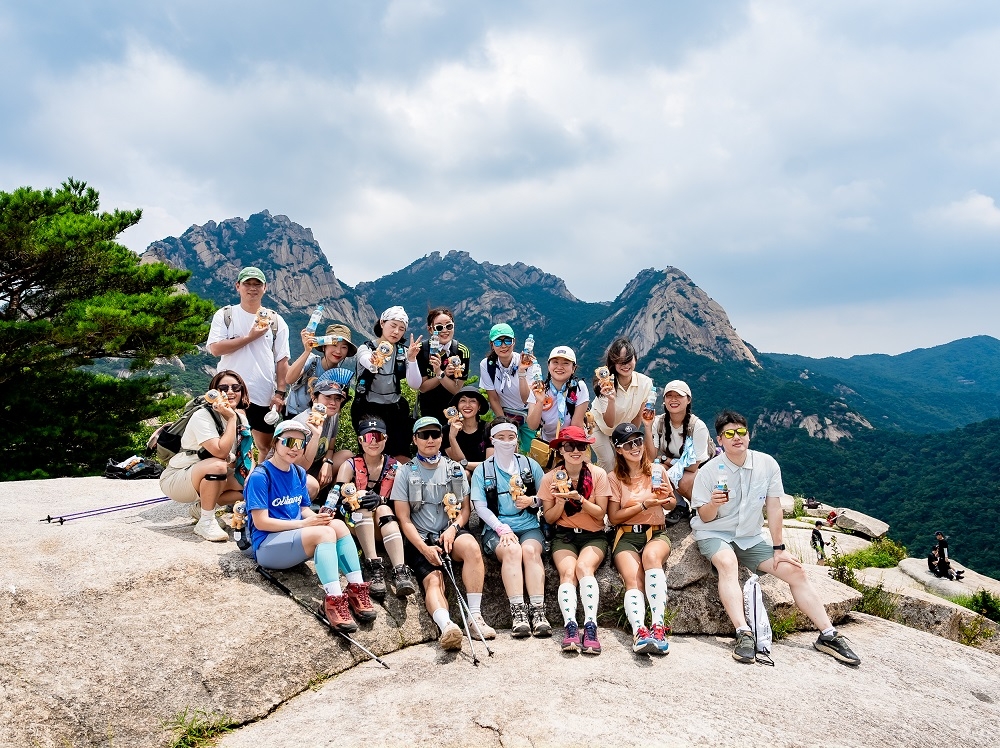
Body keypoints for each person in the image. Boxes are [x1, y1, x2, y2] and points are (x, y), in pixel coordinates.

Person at [691, 410, 861, 666]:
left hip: (749, 536)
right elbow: (703, 517)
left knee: (796, 572)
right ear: (720, 440)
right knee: (727, 564)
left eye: (741, 432)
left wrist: (779, 548)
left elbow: (774, 508)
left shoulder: (767, 464)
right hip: (715, 532)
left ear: (748, 435)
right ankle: (744, 633)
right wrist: (713, 504)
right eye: (729, 433)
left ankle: (828, 634)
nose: (737, 437)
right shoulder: (709, 472)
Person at [244, 420, 374, 632]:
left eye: (300, 444)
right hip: (267, 545)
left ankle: (356, 588)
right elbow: (261, 522)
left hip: (293, 536)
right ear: (276, 442)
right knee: (324, 534)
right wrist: (306, 523)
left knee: (338, 526)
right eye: (289, 442)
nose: (294, 449)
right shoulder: (261, 476)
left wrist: (317, 517)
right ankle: (333, 599)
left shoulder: (297, 472)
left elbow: (303, 508)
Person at [391, 416, 497, 650]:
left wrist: (453, 529)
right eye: (424, 435)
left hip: (451, 530)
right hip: (422, 538)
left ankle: (475, 617)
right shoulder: (405, 472)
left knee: (471, 547)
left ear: (441, 438)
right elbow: (403, 517)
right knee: (433, 580)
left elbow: (466, 509)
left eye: (435, 435)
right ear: (415, 439)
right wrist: (424, 548)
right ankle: (447, 625)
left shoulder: (455, 468)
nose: (430, 440)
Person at [470, 418, 550, 638]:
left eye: (511, 437)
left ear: (517, 440)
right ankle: (518, 612)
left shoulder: (529, 465)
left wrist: (532, 501)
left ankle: (538, 611)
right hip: (497, 528)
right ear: (492, 440)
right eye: (501, 437)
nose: (506, 442)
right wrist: (501, 528)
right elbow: (480, 506)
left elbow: (545, 496)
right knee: (512, 551)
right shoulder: (483, 471)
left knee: (531, 551)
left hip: (528, 524)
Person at [538, 425, 612, 655]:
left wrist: (578, 498)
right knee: (568, 572)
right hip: (564, 535)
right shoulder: (550, 478)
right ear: (561, 450)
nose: (575, 451)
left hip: (594, 535)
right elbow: (549, 518)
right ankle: (571, 625)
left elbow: (600, 513)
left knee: (583, 568)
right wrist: (560, 501)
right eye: (569, 446)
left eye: (580, 446)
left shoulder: (598, 475)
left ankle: (590, 625)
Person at [160, 369, 254, 542]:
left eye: (236, 387)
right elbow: (220, 452)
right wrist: (231, 419)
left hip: (207, 474)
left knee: (251, 484)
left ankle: (202, 508)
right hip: (179, 477)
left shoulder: (241, 418)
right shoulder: (202, 416)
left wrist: (250, 475)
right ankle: (205, 522)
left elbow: (242, 456)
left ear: (242, 391)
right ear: (214, 393)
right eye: (223, 388)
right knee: (217, 465)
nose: (230, 392)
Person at [206, 266, 291, 455]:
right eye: (247, 283)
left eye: (257, 284)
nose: (252, 288)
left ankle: (259, 483)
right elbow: (215, 348)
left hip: (261, 392)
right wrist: (250, 337)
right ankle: (230, 483)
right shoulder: (226, 315)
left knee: (265, 447)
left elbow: (282, 360)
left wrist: (280, 393)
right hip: (227, 390)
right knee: (225, 442)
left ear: (265, 288)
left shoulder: (276, 321)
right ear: (238, 286)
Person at [606, 423, 675, 655]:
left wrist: (667, 499)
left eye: (638, 441)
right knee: (633, 579)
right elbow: (614, 517)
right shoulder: (613, 478)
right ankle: (639, 631)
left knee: (651, 557)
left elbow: (673, 503)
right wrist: (644, 504)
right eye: (628, 444)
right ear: (618, 449)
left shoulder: (657, 470)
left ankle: (658, 626)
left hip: (656, 531)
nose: (635, 447)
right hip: (626, 534)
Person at [335, 416, 418, 599]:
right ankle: (373, 565)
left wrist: (381, 501)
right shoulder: (349, 466)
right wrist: (349, 505)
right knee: (363, 501)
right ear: (360, 440)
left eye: (378, 437)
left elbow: (403, 504)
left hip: (384, 527)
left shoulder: (395, 467)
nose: (373, 442)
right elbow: (335, 499)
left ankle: (400, 571)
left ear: (386, 439)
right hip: (356, 524)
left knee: (383, 509)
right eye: (367, 437)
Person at [354, 306, 424, 462]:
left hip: (395, 409)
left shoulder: (403, 352)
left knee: (400, 453)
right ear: (382, 323)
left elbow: (415, 384)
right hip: (368, 407)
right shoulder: (366, 348)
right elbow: (366, 360)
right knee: (372, 451)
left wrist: (411, 359)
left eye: (401, 329)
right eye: (393, 326)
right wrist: (374, 360)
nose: (396, 332)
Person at [591, 337, 654, 471]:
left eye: (628, 360)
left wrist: (629, 438)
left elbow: (638, 417)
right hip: (597, 425)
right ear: (613, 363)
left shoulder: (645, 383)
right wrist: (611, 400)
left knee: (627, 461)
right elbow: (608, 422)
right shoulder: (604, 383)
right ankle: (604, 490)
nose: (625, 365)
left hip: (620, 430)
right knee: (608, 461)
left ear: (635, 359)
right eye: (620, 361)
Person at [291, 369, 354, 500]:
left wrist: (328, 463)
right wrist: (315, 435)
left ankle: (332, 500)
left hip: (314, 466)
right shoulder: (302, 424)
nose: (333, 402)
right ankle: (300, 502)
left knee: (347, 456)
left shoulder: (333, 416)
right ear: (314, 397)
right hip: (291, 470)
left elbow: (330, 448)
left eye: (337, 399)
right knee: (312, 485)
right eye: (327, 397)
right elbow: (296, 466)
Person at [645, 379, 712, 502]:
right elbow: (650, 458)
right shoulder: (658, 423)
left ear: (688, 400)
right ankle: (679, 506)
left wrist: (665, 460)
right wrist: (647, 427)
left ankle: (701, 505)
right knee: (654, 471)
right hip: (678, 467)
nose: (673, 399)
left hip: (700, 470)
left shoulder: (697, 426)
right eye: (669, 396)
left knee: (682, 480)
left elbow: (692, 467)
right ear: (664, 400)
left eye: (679, 396)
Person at [479, 323, 540, 454]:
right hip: (503, 413)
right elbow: (493, 399)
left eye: (507, 340)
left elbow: (526, 399)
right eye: (498, 342)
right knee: (506, 453)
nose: (503, 345)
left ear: (514, 342)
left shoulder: (527, 362)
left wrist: (522, 372)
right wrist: (505, 424)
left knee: (534, 453)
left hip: (528, 414)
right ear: (492, 344)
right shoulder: (487, 365)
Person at [415, 308, 471, 445]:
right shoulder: (422, 350)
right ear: (430, 329)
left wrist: (440, 373)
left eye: (449, 326)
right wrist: (444, 374)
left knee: (452, 445)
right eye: (439, 327)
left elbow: (456, 390)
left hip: (453, 409)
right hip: (428, 408)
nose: (445, 330)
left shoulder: (461, 351)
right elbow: (423, 387)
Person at [525, 345, 590, 456]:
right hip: (547, 446)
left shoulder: (579, 388)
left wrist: (565, 449)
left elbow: (576, 425)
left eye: (566, 363)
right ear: (548, 365)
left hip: (572, 444)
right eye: (555, 362)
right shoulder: (538, 389)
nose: (559, 367)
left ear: (573, 368)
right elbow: (532, 425)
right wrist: (540, 401)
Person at [284, 322, 358, 416]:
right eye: (334, 345)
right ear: (324, 347)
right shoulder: (311, 360)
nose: (338, 351)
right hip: (294, 414)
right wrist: (307, 351)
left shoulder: (341, 378)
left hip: (319, 419)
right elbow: (289, 379)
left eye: (344, 347)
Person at [444, 385, 493, 478]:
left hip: (485, 477)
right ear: (457, 406)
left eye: (473, 401)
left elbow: (490, 465)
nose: (467, 405)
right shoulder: (446, 430)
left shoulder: (488, 429)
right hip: (457, 477)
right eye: (463, 401)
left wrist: (466, 464)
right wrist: (452, 437)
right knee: (463, 474)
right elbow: (457, 463)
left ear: (479, 406)